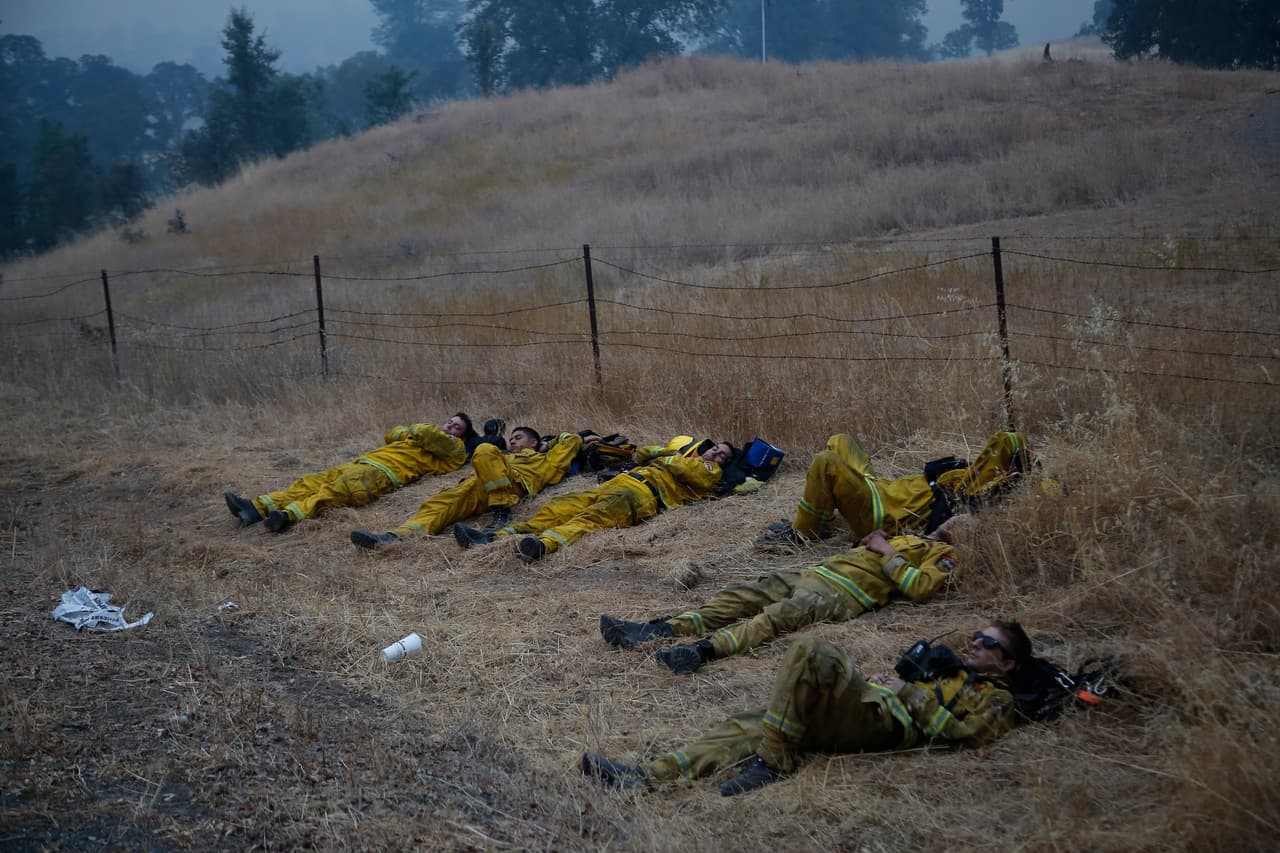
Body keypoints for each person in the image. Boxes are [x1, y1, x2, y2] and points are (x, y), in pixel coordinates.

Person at [581, 620, 1029, 797]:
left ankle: (775, 762)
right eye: (978, 635)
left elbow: (965, 735)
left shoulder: (997, 699)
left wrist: (907, 693)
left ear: (1007, 663)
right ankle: (646, 776)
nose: (975, 643)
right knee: (750, 723)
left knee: (811, 651)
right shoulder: (950, 667)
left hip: (891, 724)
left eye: (988, 643)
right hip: (875, 705)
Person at [600, 515, 970, 674]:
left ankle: (699, 652)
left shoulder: (942, 556)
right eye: (956, 516)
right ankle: (659, 630)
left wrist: (885, 550)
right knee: (742, 595)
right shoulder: (916, 536)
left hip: (841, 593)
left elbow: (920, 588)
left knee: (776, 616)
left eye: (963, 523)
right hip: (815, 572)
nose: (953, 520)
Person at [453, 437, 738, 562]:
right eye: (714, 449)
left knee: (588, 520)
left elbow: (678, 467)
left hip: (640, 495)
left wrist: (670, 457)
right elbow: (641, 454)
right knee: (559, 507)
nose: (715, 454)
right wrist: (667, 454)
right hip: (619, 484)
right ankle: (494, 537)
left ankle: (542, 545)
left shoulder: (710, 473)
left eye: (722, 455)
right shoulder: (681, 457)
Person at [223, 413, 497, 533]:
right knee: (311, 482)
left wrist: (418, 430)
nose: (449, 427)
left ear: (464, 435)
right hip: (362, 463)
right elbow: (392, 433)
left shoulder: (455, 449)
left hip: (383, 474)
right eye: (449, 422)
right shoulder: (417, 438)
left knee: (331, 492)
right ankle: (256, 508)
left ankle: (287, 516)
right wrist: (411, 432)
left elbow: (424, 431)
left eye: (457, 427)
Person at [756, 430, 1031, 549]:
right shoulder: (969, 472)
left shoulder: (973, 492)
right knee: (839, 440)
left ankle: (805, 531)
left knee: (824, 462)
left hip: (879, 511)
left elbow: (1007, 439)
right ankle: (824, 513)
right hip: (879, 487)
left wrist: (1023, 476)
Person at [349, 427, 586, 550]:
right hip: (477, 487)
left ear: (534, 442)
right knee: (439, 505)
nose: (512, 441)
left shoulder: (545, 460)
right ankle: (395, 537)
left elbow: (573, 440)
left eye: (519, 437)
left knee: (484, 449)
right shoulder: (499, 456)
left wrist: (550, 442)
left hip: (513, 486)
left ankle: (502, 509)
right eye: (511, 438)